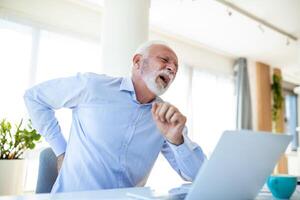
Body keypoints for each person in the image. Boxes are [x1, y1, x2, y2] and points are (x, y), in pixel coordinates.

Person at [24, 40, 206, 193]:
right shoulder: (93, 87)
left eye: (176, 67)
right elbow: (35, 98)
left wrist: (177, 141)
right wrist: (61, 151)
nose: (172, 68)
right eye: (165, 60)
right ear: (137, 62)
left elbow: (200, 176)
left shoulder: (166, 120)